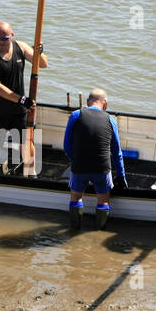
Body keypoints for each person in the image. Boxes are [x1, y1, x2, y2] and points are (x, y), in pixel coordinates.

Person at [0, 21, 47, 169]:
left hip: (18, 110)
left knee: (26, 143)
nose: (1, 42)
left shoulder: (20, 47)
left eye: (5, 38)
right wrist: (21, 99)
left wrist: (38, 53)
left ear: (12, 36)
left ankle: (31, 172)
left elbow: (42, 64)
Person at [63, 88, 127, 230]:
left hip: (80, 166)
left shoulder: (75, 115)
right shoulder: (111, 120)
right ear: (105, 104)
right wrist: (121, 176)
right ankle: (98, 233)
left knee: (76, 198)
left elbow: (67, 145)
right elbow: (117, 152)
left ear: (87, 102)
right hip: (102, 168)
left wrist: (75, 160)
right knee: (103, 202)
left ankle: (74, 230)